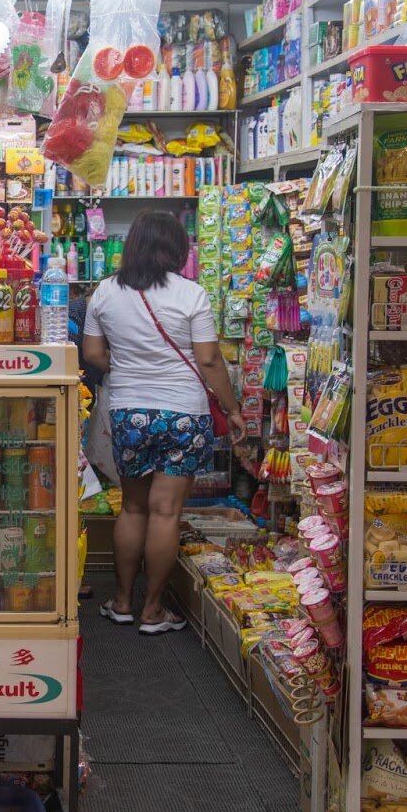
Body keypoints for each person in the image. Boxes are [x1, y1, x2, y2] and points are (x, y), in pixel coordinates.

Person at [80, 210, 247, 636]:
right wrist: (232, 409)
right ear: (176, 250)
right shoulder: (191, 294)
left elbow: (94, 355)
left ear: (131, 244)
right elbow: (208, 359)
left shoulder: (104, 292)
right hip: (184, 415)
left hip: (129, 413)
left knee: (133, 506)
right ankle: (152, 610)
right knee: (166, 511)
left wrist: (131, 369)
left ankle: (120, 601)